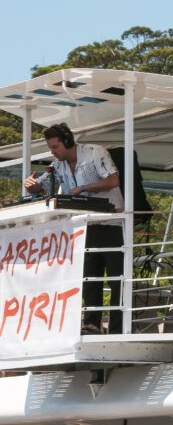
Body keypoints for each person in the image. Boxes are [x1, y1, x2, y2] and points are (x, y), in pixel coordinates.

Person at [23, 123, 124, 334]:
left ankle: (119, 328)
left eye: (55, 146)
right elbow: (40, 186)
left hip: (111, 222)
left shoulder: (95, 152)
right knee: (89, 280)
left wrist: (84, 188)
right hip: (83, 225)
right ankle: (92, 325)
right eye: (50, 148)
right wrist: (31, 185)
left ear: (67, 141)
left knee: (117, 279)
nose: (53, 151)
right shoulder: (58, 166)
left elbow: (113, 180)